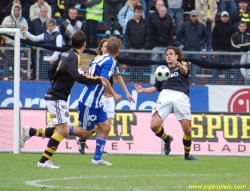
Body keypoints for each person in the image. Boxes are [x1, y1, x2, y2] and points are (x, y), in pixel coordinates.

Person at [20, 30, 105, 168]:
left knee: (60, 130)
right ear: (84, 44)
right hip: (58, 97)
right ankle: (43, 161)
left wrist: (56, 84)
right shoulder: (75, 56)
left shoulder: (64, 53)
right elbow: (78, 76)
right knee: (63, 131)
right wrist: (98, 80)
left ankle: (30, 131)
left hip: (56, 95)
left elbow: (52, 70)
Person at [134, 46, 200, 161]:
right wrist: (143, 90)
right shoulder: (162, 71)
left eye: (171, 54)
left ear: (176, 56)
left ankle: (187, 155)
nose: (168, 56)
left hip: (181, 96)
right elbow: (155, 88)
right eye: (167, 54)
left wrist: (181, 66)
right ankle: (167, 139)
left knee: (188, 130)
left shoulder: (181, 68)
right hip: (165, 95)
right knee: (154, 126)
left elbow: (186, 72)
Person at [77, 38, 135, 154]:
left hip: (98, 97)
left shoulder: (104, 60)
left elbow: (117, 77)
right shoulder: (108, 61)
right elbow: (102, 78)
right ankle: (59, 131)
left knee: (107, 126)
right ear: (118, 50)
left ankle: (98, 157)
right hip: (95, 97)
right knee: (86, 132)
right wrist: (114, 93)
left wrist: (127, 92)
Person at [177, 10, 207, 85]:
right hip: (186, 50)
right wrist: (184, 42)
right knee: (184, 67)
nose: (194, 18)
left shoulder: (201, 26)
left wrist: (200, 43)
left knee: (194, 68)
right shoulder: (185, 25)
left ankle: (193, 82)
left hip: (196, 50)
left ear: (197, 16)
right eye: (192, 16)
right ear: (190, 16)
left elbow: (205, 36)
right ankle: (184, 81)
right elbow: (179, 35)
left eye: (195, 16)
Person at [1, 4, 28, 81]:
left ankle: (17, 76)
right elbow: (2, 30)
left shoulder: (24, 21)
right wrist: (7, 39)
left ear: (20, 11)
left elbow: (26, 32)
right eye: (15, 10)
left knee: (18, 61)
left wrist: (21, 39)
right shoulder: (7, 19)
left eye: (18, 10)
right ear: (13, 10)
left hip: (19, 45)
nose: (16, 11)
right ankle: (6, 76)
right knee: (7, 60)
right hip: (9, 44)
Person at [125, 5, 150, 82]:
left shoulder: (145, 23)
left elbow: (148, 36)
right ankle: (132, 80)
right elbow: (127, 35)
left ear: (141, 13)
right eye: (137, 12)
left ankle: (140, 81)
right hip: (132, 48)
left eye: (139, 12)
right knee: (132, 65)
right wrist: (129, 47)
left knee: (141, 66)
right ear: (134, 12)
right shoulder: (130, 23)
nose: (138, 14)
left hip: (141, 49)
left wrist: (144, 47)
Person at [210, 11, 236, 84]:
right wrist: (215, 50)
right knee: (216, 67)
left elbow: (233, 40)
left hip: (228, 51)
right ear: (221, 17)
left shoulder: (232, 27)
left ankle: (227, 83)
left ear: (228, 18)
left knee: (227, 68)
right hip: (219, 50)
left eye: (226, 17)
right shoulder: (217, 27)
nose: (224, 18)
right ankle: (213, 83)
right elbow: (213, 39)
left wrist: (232, 51)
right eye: (223, 17)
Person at [29, 6, 50, 79]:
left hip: (46, 47)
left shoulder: (49, 22)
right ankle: (36, 78)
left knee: (45, 64)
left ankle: (44, 78)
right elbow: (31, 33)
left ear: (47, 12)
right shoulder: (34, 21)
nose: (43, 13)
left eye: (45, 11)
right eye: (42, 11)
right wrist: (32, 44)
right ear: (40, 12)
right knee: (35, 63)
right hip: (36, 47)